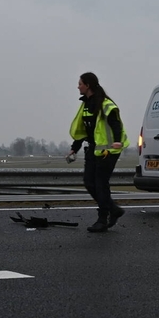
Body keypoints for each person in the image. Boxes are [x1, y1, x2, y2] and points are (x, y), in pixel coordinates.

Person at [66, 72, 129, 233]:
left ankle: (103, 219)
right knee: (89, 182)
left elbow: (116, 124)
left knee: (100, 184)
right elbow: (84, 129)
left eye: (80, 83)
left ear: (87, 85)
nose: (78, 86)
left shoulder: (105, 104)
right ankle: (113, 209)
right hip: (94, 149)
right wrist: (75, 147)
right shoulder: (86, 104)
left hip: (108, 151)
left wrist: (117, 141)